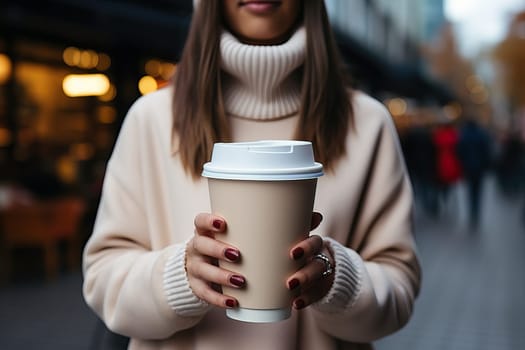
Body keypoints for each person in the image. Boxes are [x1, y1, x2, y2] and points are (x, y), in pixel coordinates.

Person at [82, 1, 421, 349]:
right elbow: (103, 281)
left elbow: (400, 290)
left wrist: (338, 277)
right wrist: (180, 278)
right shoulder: (151, 118)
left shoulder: (367, 123)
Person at [457, 118, 492, 230]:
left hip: (468, 167)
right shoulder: (481, 134)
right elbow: (486, 150)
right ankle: (476, 211)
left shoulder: (464, 135)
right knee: (478, 190)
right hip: (479, 168)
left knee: (470, 190)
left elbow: (460, 150)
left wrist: (463, 162)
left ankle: (472, 210)